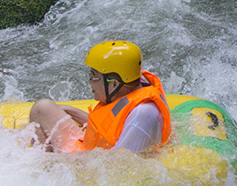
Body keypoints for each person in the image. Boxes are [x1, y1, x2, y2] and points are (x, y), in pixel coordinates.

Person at [29, 40, 171, 153]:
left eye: (94, 77)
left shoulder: (144, 114)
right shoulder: (132, 90)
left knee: (41, 108)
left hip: (95, 172)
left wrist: (54, 162)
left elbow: (118, 167)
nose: (90, 82)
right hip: (98, 154)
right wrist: (74, 112)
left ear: (114, 84)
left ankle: (43, 169)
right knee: (44, 109)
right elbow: (112, 125)